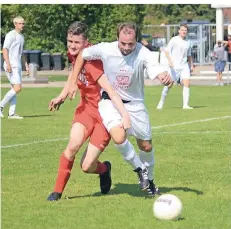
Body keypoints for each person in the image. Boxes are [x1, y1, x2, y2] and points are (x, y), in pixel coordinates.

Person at [68, 22, 172, 196]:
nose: (126, 47)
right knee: (118, 135)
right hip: (109, 102)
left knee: (145, 146)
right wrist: (72, 81)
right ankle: (140, 170)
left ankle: (150, 180)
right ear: (117, 39)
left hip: (136, 104)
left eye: (130, 44)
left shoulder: (144, 53)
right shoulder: (106, 49)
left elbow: (156, 68)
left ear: (136, 40)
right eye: (122, 43)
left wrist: (163, 76)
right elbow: (82, 55)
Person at [47, 21, 131, 201]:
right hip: (85, 109)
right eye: (70, 41)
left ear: (87, 43)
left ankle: (104, 169)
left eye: (77, 42)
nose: (72, 45)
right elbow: (74, 72)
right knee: (72, 146)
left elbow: (110, 90)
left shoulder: (93, 62)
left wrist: (124, 115)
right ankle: (57, 192)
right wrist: (62, 94)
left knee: (86, 166)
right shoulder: (75, 55)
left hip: (104, 114)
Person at [156, 24, 194, 110]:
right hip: (174, 66)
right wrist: (170, 61)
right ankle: (161, 102)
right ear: (179, 31)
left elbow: (189, 55)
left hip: (184, 66)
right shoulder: (174, 40)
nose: (184, 31)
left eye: (185, 30)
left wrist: (191, 64)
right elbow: (166, 51)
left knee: (187, 83)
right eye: (182, 30)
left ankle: (185, 105)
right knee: (169, 85)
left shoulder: (188, 42)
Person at [0, 16, 29, 119]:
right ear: (15, 24)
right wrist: (7, 63)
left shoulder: (21, 37)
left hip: (18, 65)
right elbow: (5, 49)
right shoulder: (10, 35)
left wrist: (26, 65)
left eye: (23, 23)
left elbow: (22, 52)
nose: (22, 25)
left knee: (14, 89)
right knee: (18, 88)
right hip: (11, 65)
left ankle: (11, 113)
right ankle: (1, 106)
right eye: (20, 23)